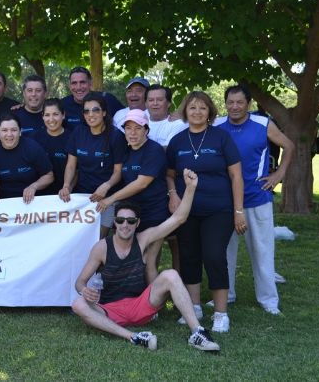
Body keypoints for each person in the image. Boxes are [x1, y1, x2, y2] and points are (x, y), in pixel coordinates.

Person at [71, 170, 221, 352]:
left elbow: (178, 218)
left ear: (137, 223)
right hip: (109, 311)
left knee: (171, 275)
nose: (125, 225)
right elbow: (80, 282)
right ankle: (134, 337)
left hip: (141, 306)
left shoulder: (143, 239)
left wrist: (190, 188)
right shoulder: (102, 247)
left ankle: (197, 333)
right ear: (115, 223)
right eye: (120, 220)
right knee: (78, 304)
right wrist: (85, 291)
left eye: (130, 221)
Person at [166, 91, 244, 333]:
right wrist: (173, 194)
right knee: (189, 256)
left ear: (210, 112)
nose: (197, 112)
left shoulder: (222, 138)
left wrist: (239, 210)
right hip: (186, 211)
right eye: (192, 108)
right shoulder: (177, 141)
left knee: (213, 256)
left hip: (218, 209)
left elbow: (236, 176)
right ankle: (195, 306)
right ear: (185, 112)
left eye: (202, 108)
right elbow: (169, 175)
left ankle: (221, 313)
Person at [214, 85, 294, 315]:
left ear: (248, 104)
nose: (235, 107)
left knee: (262, 250)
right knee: (223, 251)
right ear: (226, 103)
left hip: (257, 197)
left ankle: (269, 300)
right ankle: (226, 294)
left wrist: (279, 174)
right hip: (225, 200)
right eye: (230, 102)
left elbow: (288, 145)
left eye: (239, 102)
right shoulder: (218, 125)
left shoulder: (263, 124)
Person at [95, 109, 172, 282]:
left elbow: (141, 183)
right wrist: (105, 187)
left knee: (149, 262)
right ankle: (133, 301)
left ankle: (153, 306)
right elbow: (119, 175)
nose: (132, 132)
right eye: (128, 128)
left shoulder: (154, 150)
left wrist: (111, 198)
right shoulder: (126, 151)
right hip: (132, 217)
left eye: (138, 128)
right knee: (133, 260)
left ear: (146, 130)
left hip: (153, 214)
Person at [60, 92, 127, 238]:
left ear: (104, 112)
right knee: (79, 239)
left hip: (106, 198)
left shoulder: (116, 136)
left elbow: (118, 171)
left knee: (97, 238)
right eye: (86, 111)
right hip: (82, 198)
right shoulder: (78, 132)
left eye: (95, 110)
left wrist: (107, 185)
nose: (91, 114)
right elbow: (71, 165)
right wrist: (66, 185)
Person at [0, 114, 54, 203]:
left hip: (30, 204)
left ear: (20, 131)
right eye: (4, 130)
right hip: (0, 204)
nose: (9, 134)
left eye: (14, 130)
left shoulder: (32, 147)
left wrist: (34, 186)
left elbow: (49, 176)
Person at [34, 98, 74, 195]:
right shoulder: (35, 139)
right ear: (42, 116)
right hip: (39, 197)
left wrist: (68, 187)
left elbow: (75, 169)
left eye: (55, 114)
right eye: (47, 115)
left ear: (63, 115)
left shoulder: (72, 138)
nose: (51, 119)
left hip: (65, 195)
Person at [13, 75, 48, 139]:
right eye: (30, 90)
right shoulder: (13, 116)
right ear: (24, 93)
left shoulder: (53, 117)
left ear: (45, 93)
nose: (33, 94)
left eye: (38, 90)